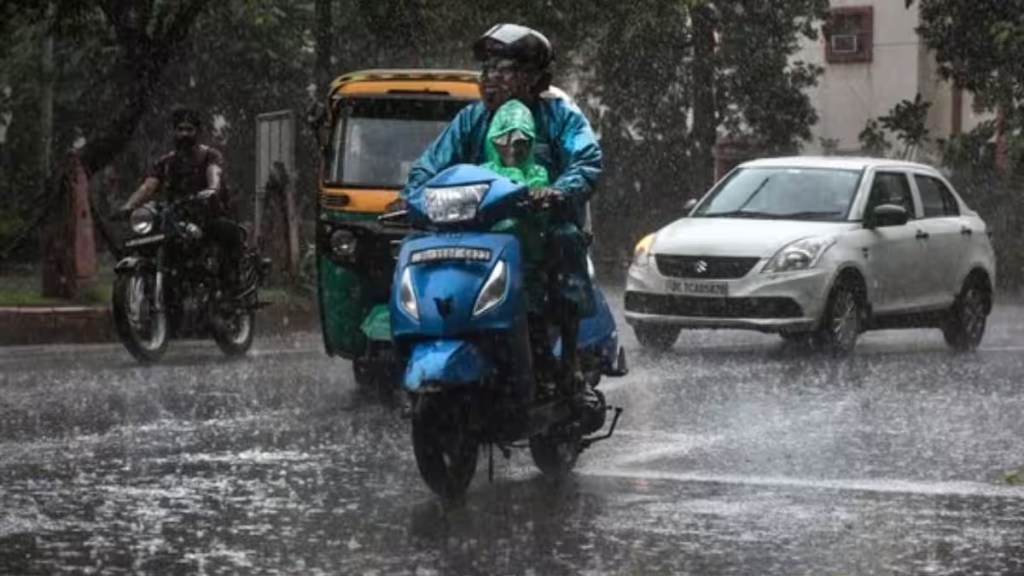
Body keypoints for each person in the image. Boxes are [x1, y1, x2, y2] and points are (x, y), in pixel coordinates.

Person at [399, 23, 603, 398]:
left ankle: (568, 363)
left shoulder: (561, 117)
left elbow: (586, 161)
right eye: (487, 71)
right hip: (478, 231)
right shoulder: (471, 120)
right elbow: (430, 166)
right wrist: (413, 196)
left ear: (535, 79)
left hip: (541, 229)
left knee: (565, 241)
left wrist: (557, 191)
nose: (491, 81)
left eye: (504, 71)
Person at [117, 106, 246, 300]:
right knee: (153, 241)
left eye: (189, 129)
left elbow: (214, 173)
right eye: (180, 129)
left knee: (226, 234)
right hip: (177, 218)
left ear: (197, 132)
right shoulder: (166, 161)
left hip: (208, 214)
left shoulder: (209, 155)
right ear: (174, 131)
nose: (184, 134)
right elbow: (148, 186)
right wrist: (128, 206)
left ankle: (230, 291)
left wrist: (212, 189)